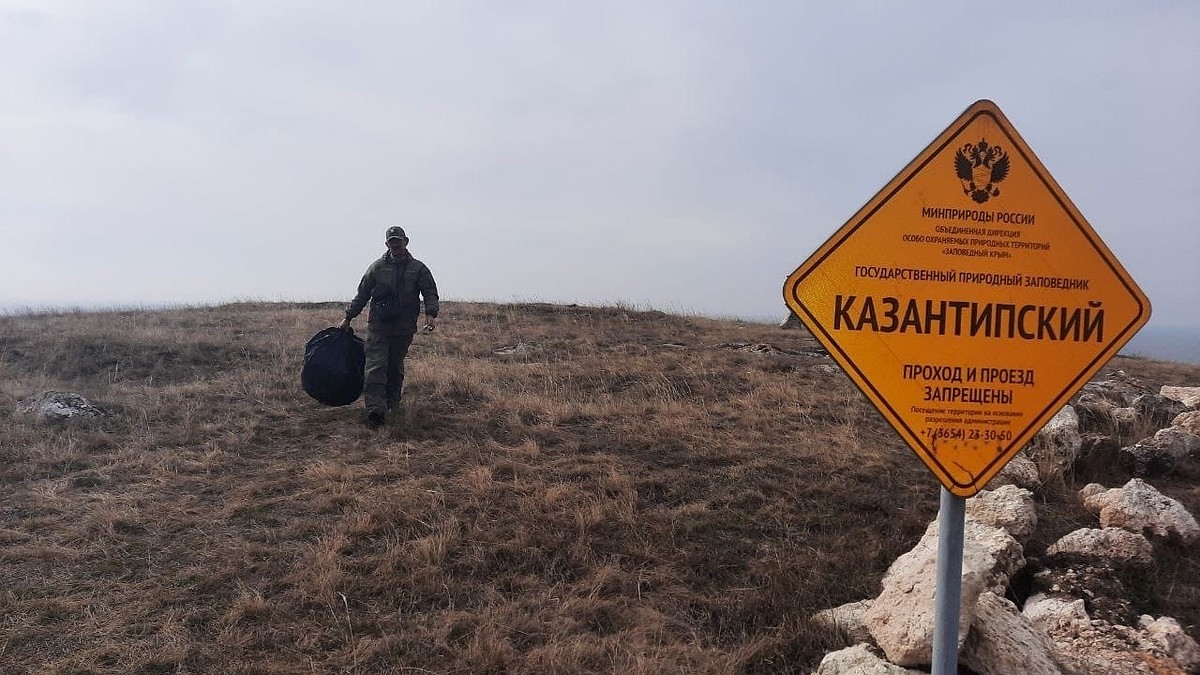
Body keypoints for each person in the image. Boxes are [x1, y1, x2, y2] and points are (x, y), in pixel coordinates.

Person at [339, 226, 439, 428]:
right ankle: (375, 410)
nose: (395, 245)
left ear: (406, 242)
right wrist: (348, 317)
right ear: (386, 244)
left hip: (404, 328)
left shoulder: (418, 268)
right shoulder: (377, 267)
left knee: (394, 367)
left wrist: (431, 314)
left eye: (398, 241)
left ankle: (392, 404)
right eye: (391, 242)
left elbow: (430, 291)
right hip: (379, 326)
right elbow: (362, 294)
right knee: (376, 366)